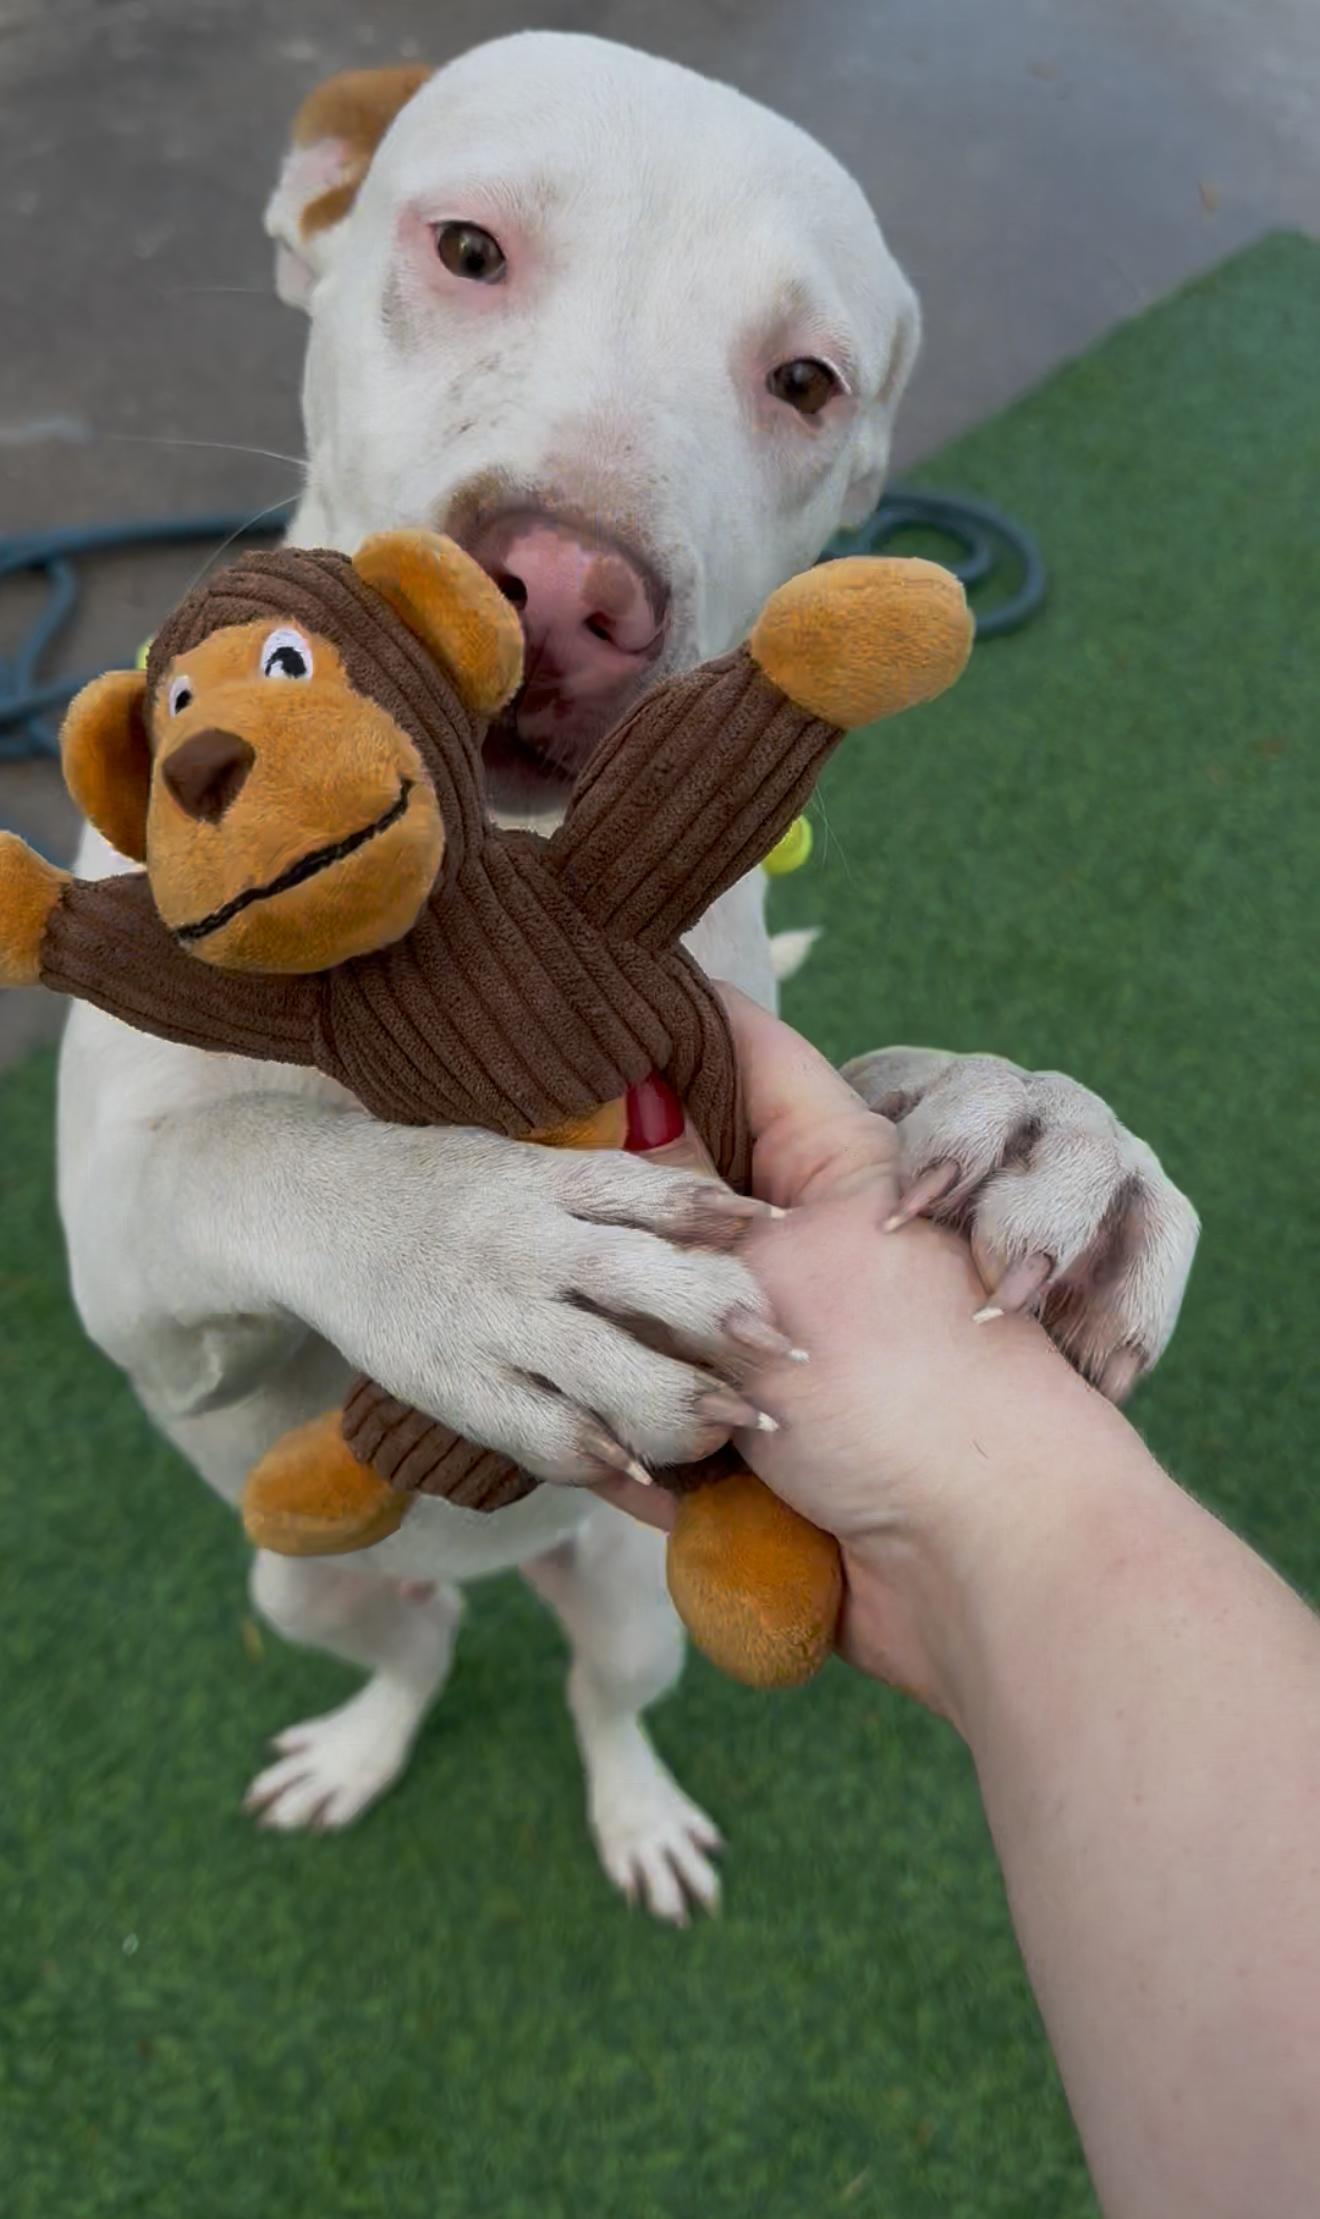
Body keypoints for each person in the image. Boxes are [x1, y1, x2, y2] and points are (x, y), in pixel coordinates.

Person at [599, 989, 1320, 2219]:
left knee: (624, 1654)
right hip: (354, 1466)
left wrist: (909, 1124)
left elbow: (755, 1138)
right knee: (307, 1597)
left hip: (632, 1500)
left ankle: (611, 1738)